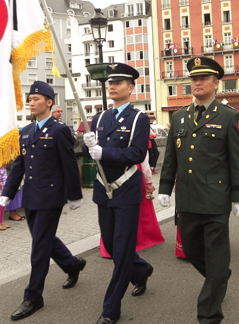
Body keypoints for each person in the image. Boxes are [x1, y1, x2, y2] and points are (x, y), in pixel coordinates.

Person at [158, 57, 239, 324]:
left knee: (216, 252)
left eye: (204, 78)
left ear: (216, 83)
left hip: (215, 200)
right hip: (187, 199)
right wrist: (165, 188)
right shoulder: (178, 117)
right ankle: (219, 275)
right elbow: (172, 158)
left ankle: (209, 315)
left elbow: (237, 160)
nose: (197, 83)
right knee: (191, 248)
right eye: (194, 79)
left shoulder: (229, 116)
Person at [0, 81, 85, 321]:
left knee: (38, 249)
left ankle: (33, 296)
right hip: (31, 196)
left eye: (36, 98)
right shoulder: (26, 131)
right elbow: (19, 165)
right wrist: (8, 191)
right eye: (29, 99)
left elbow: (69, 164)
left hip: (51, 196)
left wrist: (74, 194)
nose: (31, 102)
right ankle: (72, 264)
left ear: (49, 102)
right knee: (42, 240)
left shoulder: (59, 130)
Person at [82, 63, 152, 324]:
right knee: (111, 245)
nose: (112, 86)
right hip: (103, 189)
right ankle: (142, 269)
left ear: (131, 88)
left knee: (122, 250)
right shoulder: (99, 118)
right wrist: (91, 145)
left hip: (125, 189)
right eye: (110, 83)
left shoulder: (138, 118)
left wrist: (105, 153)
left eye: (119, 83)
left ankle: (111, 308)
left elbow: (137, 154)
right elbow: (94, 149)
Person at [100, 151, 164, 258]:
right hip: (134, 173)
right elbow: (144, 162)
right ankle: (139, 239)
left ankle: (110, 241)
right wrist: (149, 182)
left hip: (112, 175)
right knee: (140, 210)